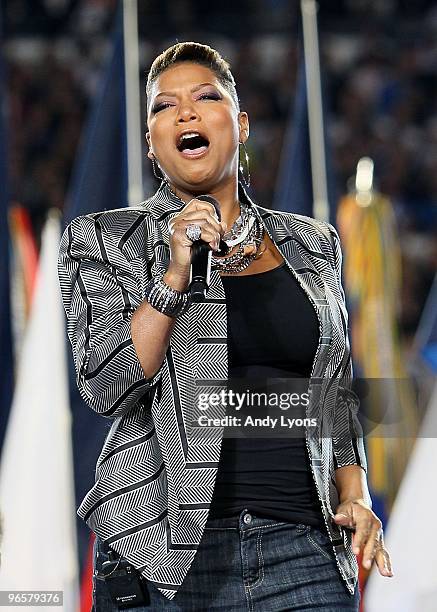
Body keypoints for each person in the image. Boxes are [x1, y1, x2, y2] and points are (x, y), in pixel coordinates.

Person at [58, 42, 392, 611]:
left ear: (239, 125)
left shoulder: (313, 244)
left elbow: (333, 391)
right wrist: (173, 276)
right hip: (162, 552)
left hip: (302, 550)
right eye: (164, 107)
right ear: (150, 143)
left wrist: (355, 494)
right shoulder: (103, 239)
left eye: (205, 97)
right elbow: (106, 387)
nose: (185, 113)